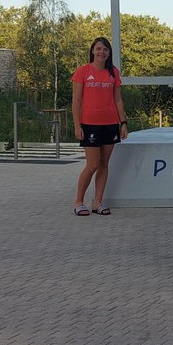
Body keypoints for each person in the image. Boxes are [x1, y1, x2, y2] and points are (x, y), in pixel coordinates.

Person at [71, 36, 128, 215]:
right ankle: (79, 202)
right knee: (92, 164)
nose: (101, 52)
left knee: (104, 164)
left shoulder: (113, 73)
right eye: (98, 49)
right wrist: (77, 125)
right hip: (89, 124)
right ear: (92, 51)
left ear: (109, 53)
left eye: (105, 49)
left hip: (110, 124)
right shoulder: (83, 71)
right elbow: (76, 101)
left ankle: (97, 203)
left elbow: (118, 98)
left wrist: (123, 122)